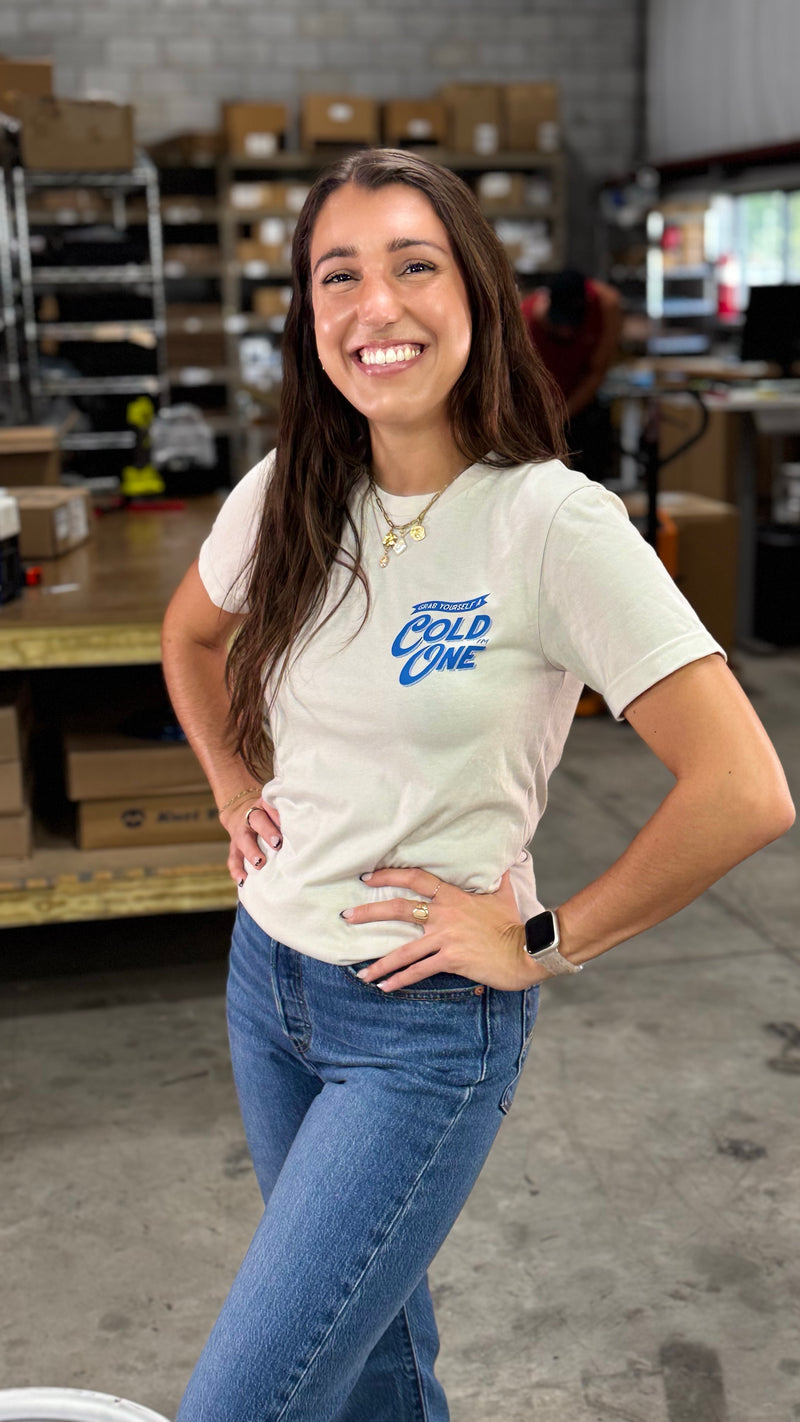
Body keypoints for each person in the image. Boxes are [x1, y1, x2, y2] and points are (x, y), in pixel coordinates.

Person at [161, 149, 794, 1422]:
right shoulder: (286, 491)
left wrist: (544, 939)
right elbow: (187, 637)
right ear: (307, 315)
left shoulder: (550, 523)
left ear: (477, 294)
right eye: (336, 275)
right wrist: (235, 790)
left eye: (411, 264)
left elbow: (741, 787)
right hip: (266, 975)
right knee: (377, 1368)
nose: (372, 305)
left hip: (421, 1026)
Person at [520, 268, 622, 482]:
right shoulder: (525, 320)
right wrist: (541, 421)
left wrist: (563, 415)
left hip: (578, 407)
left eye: (571, 325)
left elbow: (595, 372)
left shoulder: (607, 306)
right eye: (559, 324)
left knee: (589, 473)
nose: (566, 332)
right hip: (534, 413)